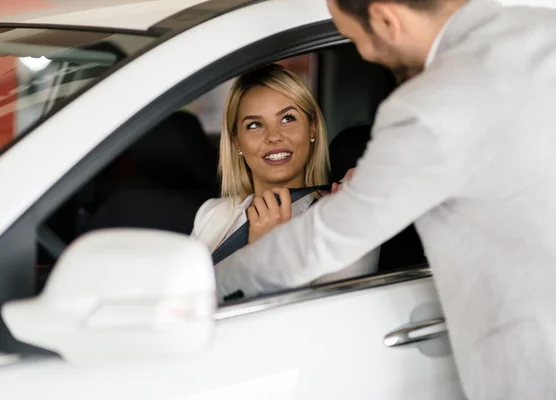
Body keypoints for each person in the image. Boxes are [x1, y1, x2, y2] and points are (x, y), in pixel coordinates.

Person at [214, 0, 556, 398]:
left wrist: (204, 290)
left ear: (385, 19)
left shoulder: (431, 106)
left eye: (356, 40)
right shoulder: (544, 29)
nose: (363, 54)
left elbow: (322, 242)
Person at [191, 63, 379, 284]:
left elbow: (336, 316)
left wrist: (268, 252)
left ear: (312, 128)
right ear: (237, 142)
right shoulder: (212, 215)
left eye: (287, 118)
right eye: (254, 125)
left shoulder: (342, 223)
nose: (273, 136)